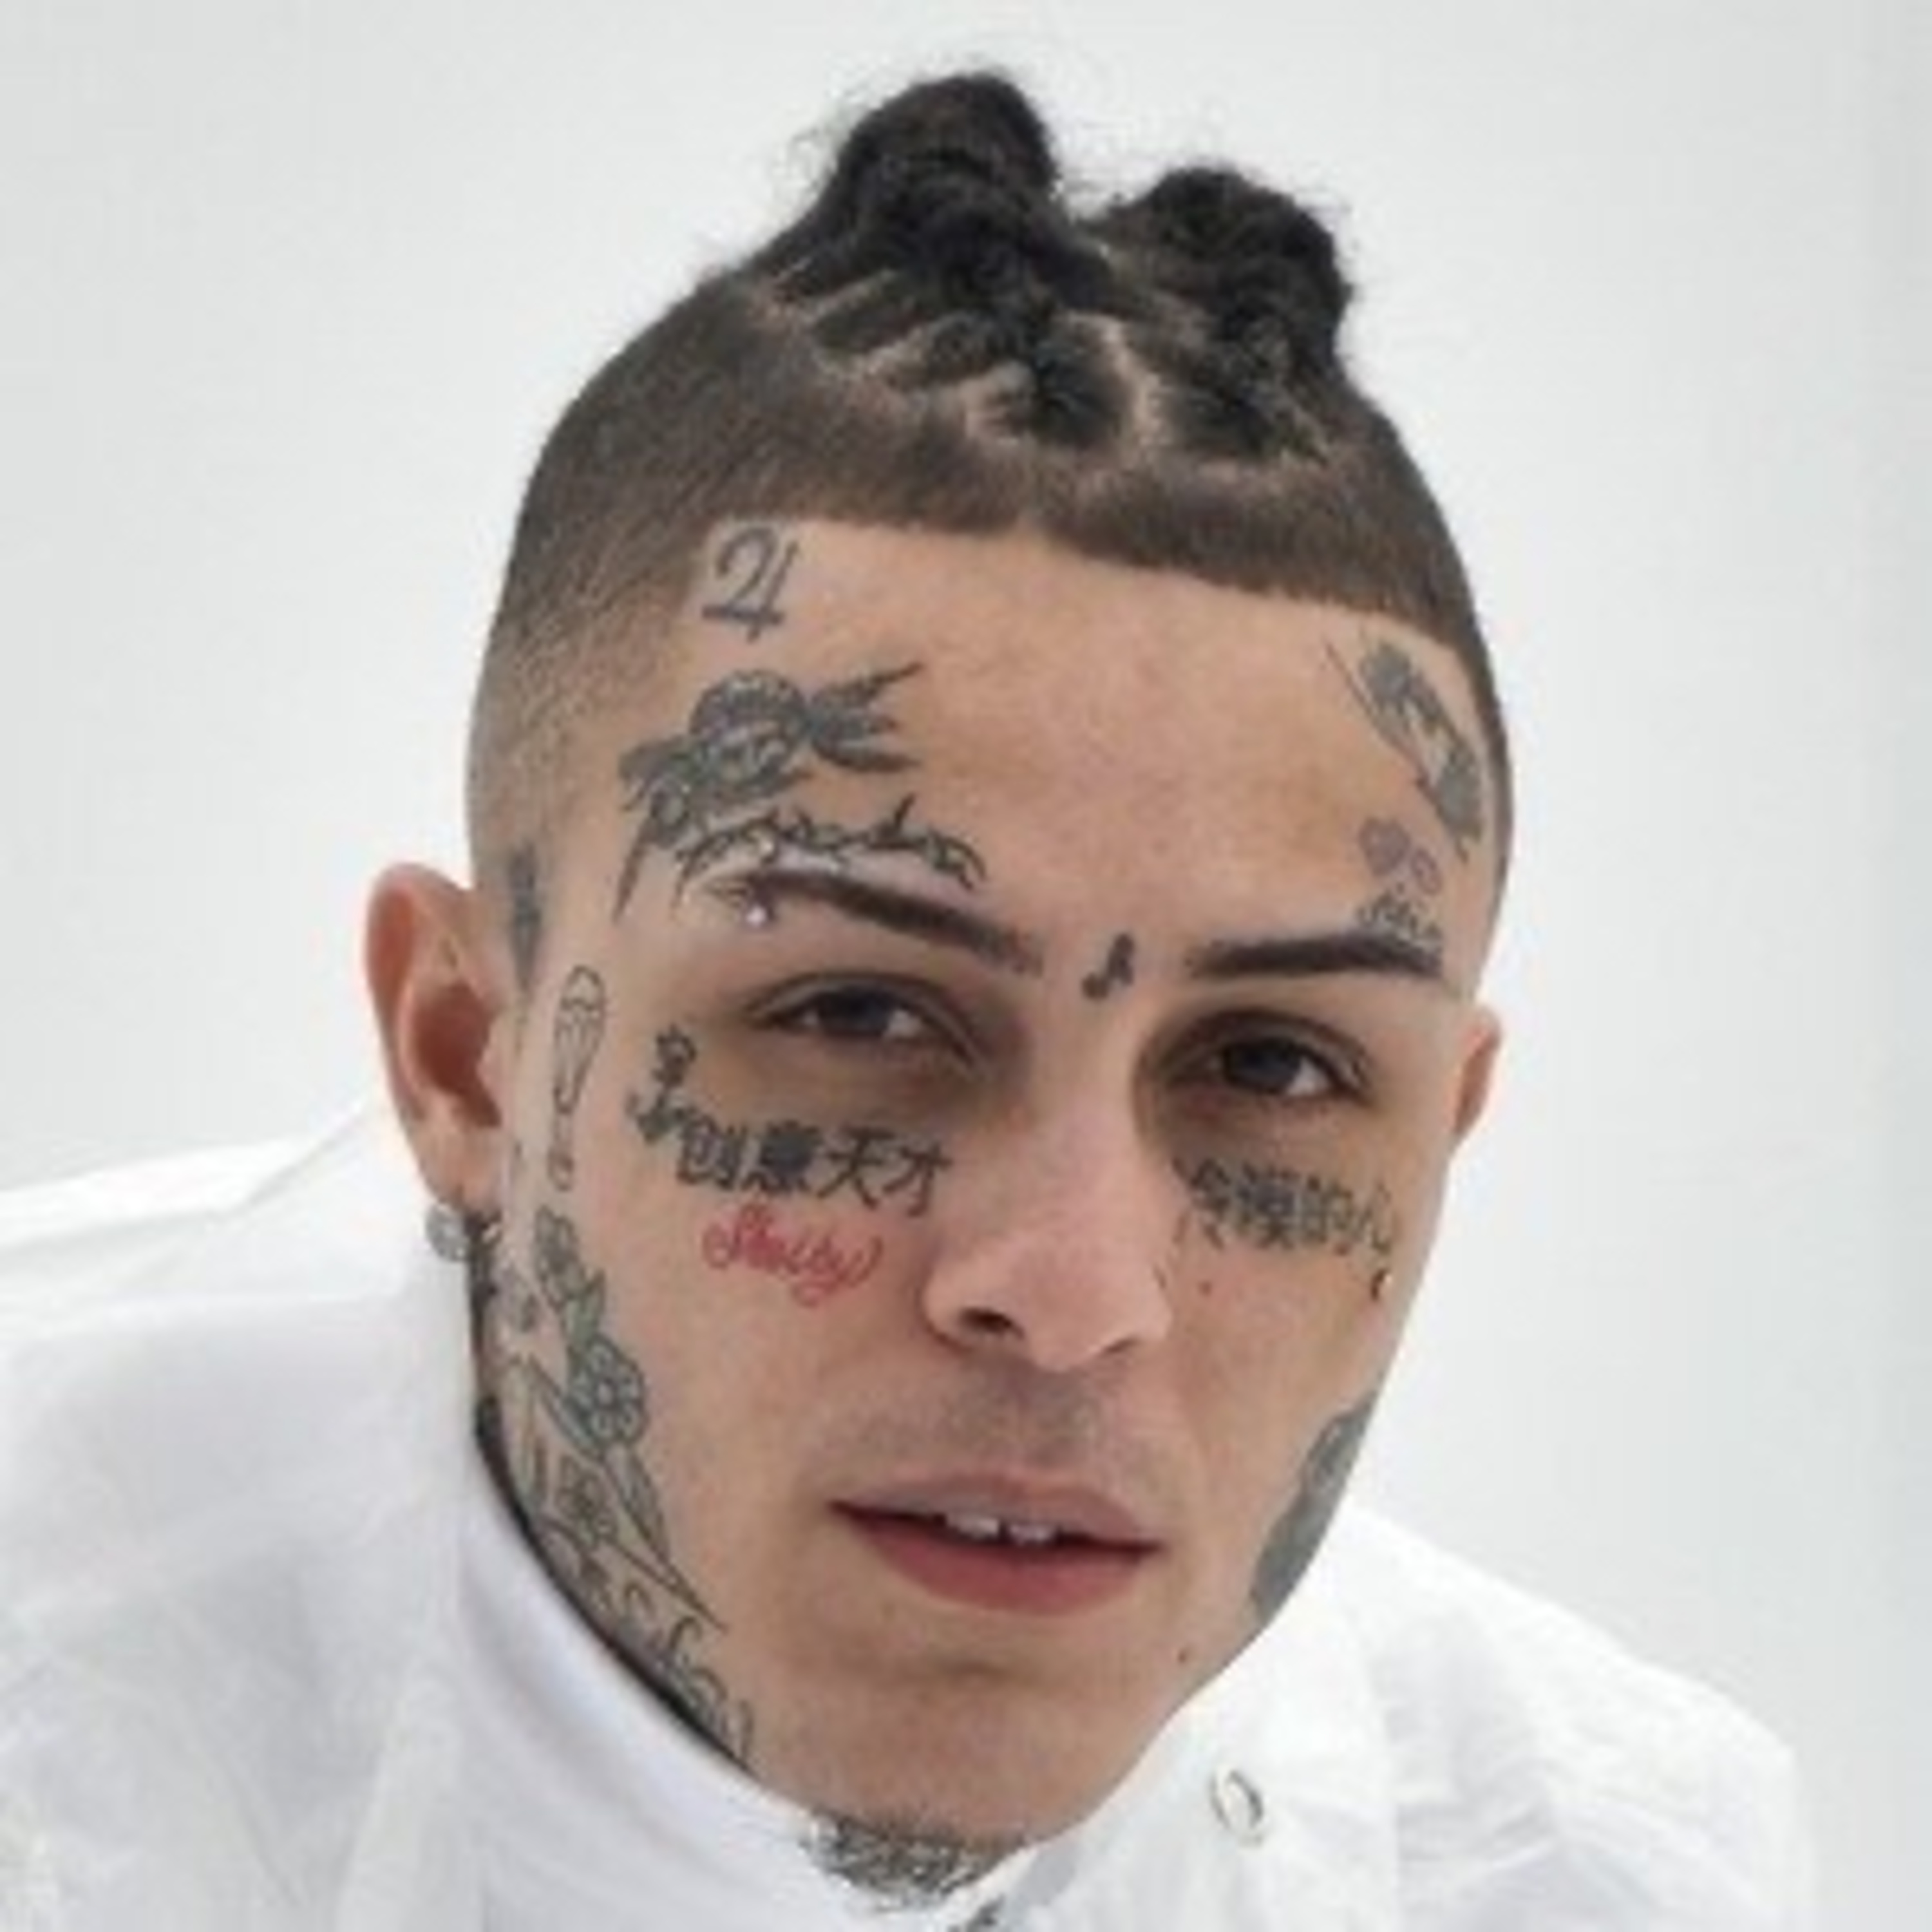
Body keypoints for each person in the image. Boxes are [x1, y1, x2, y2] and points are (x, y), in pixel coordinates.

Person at [0, 71, 1807, 1931]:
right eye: (861, 1017)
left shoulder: (1590, 1871)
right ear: (463, 1057)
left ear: (1442, 1134)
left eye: (1274, 1065)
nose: (1074, 1292)